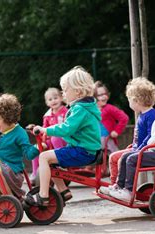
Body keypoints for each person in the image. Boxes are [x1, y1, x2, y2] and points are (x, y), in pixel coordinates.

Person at [27, 66, 102, 206]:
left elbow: (67, 128)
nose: (63, 93)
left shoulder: (80, 109)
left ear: (78, 91)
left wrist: (45, 130)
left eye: (65, 90)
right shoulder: (83, 107)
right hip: (84, 149)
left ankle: (43, 196)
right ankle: (63, 191)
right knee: (50, 160)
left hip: (84, 151)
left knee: (44, 157)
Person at [99, 77, 155, 194]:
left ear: (137, 100)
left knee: (124, 158)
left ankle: (126, 189)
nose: (129, 103)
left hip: (145, 150)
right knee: (113, 157)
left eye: (130, 100)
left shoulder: (151, 115)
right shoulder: (142, 114)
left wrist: (140, 148)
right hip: (137, 148)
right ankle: (116, 185)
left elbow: (151, 135)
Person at [28, 87, 68, 183]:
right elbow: (44, 130)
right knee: (37, 148)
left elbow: (69, 127)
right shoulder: (47, 116)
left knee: (55, 138)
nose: (53, 101)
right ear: (47, 103)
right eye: (50, 99)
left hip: (64, 139)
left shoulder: (66, 112)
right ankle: (34, 173)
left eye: (55, 98)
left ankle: (61, 162)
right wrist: (36, 130)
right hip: (50, 141)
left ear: (61, 98)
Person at [94, 81, 129, 153]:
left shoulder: (109, 108)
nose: (104, 96)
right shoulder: (91, 110)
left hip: (107, 140)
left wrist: (116, 131)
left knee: (115, 157)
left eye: (105, 94)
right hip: (95, 140)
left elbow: (124, 118)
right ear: (94, 97)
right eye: (100, 95)